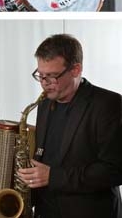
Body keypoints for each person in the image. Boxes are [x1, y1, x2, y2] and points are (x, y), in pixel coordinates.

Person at [16, 34, 122, 218]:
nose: (44, 84)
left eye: (52, 76)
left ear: (76, 69)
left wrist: (53, 177)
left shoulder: (108, 104)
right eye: (40, 76)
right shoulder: (44, 104)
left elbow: (115, 170)